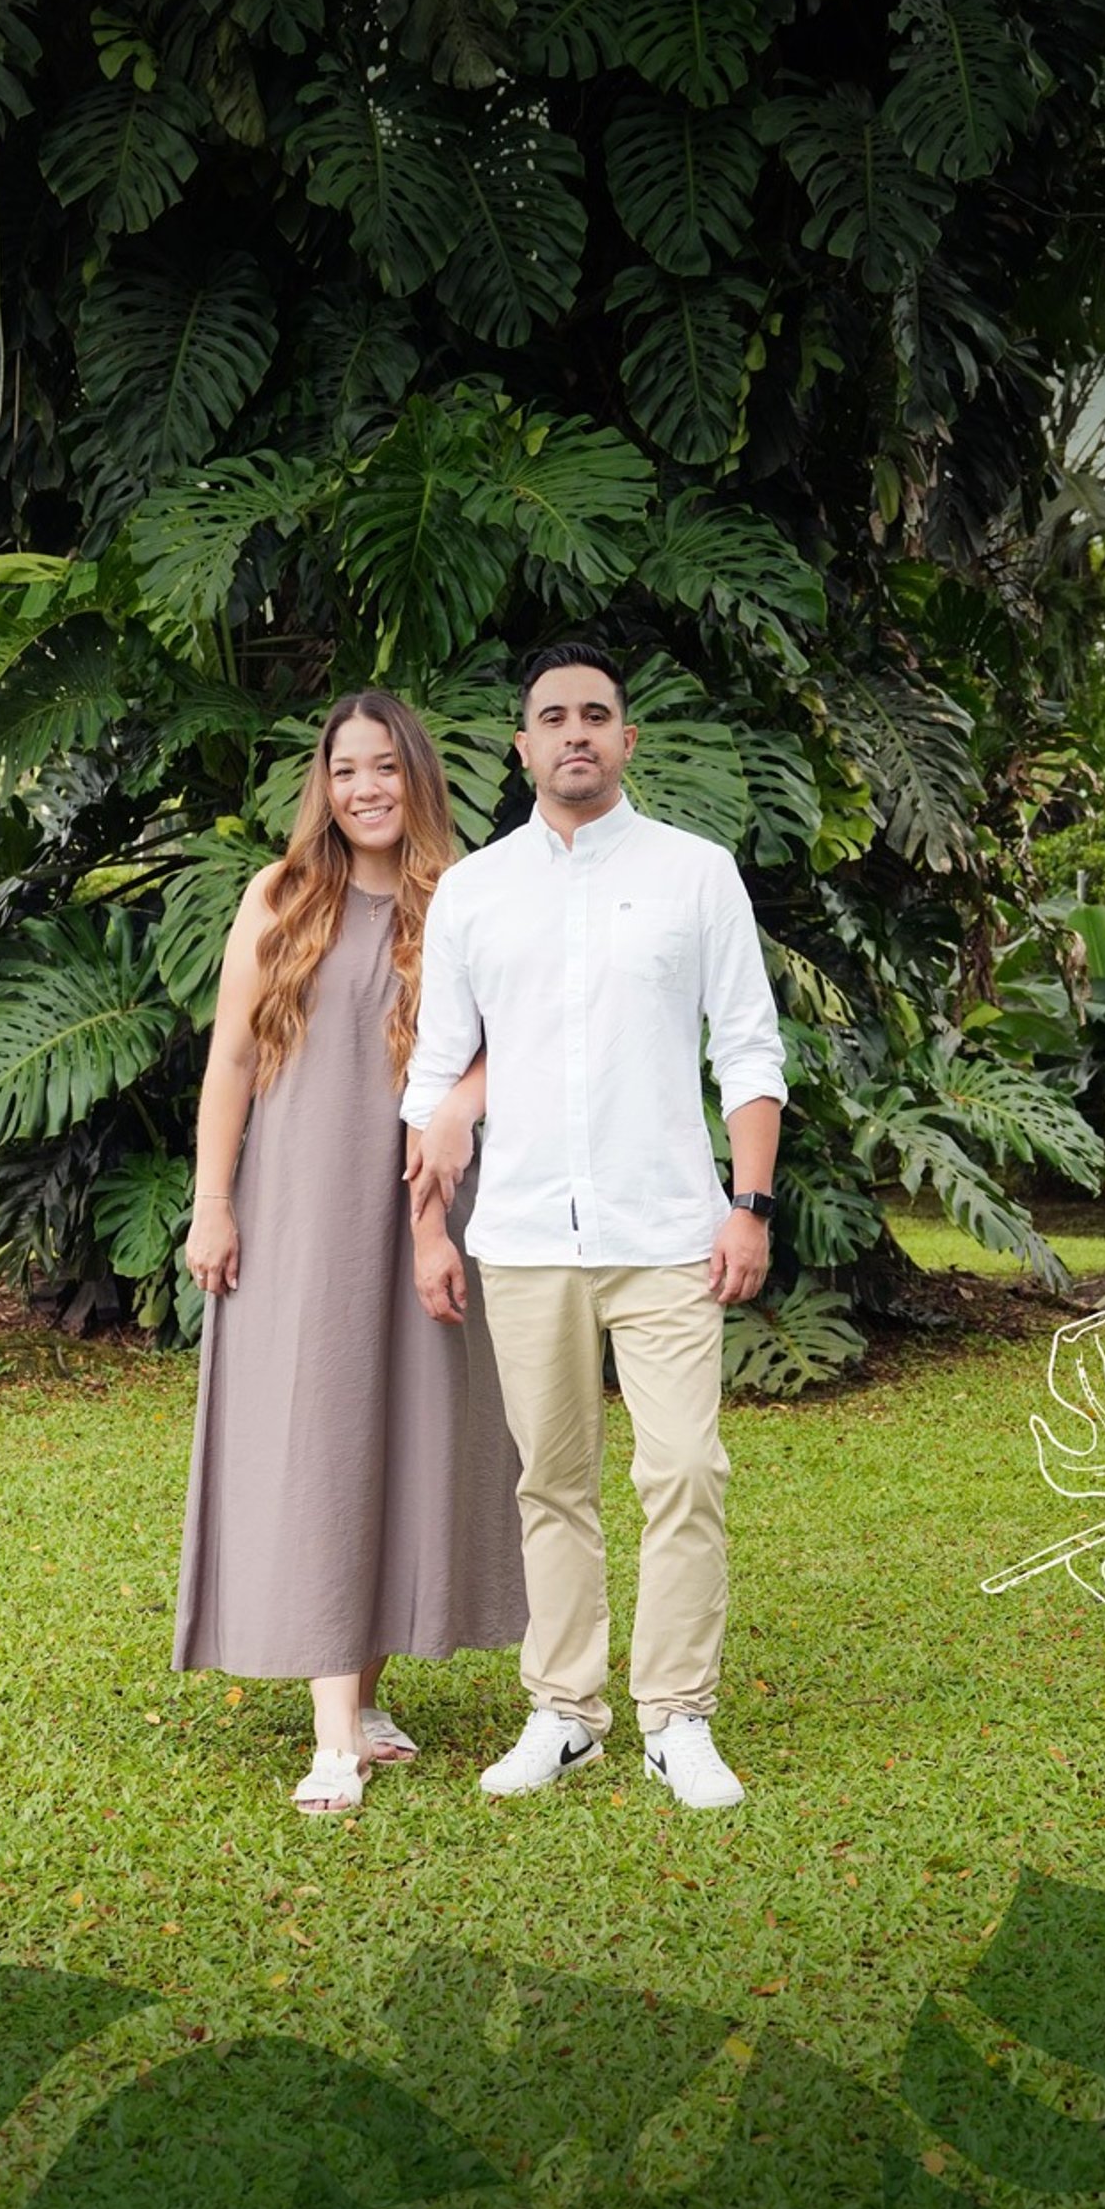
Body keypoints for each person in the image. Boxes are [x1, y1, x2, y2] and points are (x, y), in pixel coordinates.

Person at [401, 642, 786, 1811]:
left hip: (671, 1230)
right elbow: (437, 1074)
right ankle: (565, 1713)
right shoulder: (476, 892)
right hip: (521, 1237)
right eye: (552, 717)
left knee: (684, 1473)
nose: (575, 732)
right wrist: (429, 1231)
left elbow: (751, 1048)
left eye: (597, 715)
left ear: (627, 741)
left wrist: (750, 1205)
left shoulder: (696, 873)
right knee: (551, 1483)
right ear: (521, 746)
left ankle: (678, 1717)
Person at [173, 690, 526, 1814]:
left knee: (408, 1435)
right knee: (321, 1437)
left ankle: (363, 1694)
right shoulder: (280, 896)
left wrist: (458, 1113)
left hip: (425, 1204)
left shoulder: (466, 901)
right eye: (344, 771)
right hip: (298, 1204)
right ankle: (333, 1739)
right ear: (322, 788)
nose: (365, 788)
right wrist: (211, 1204)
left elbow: (513, 1046)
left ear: (418, 777)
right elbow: (231, 1061)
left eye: (384, 767)